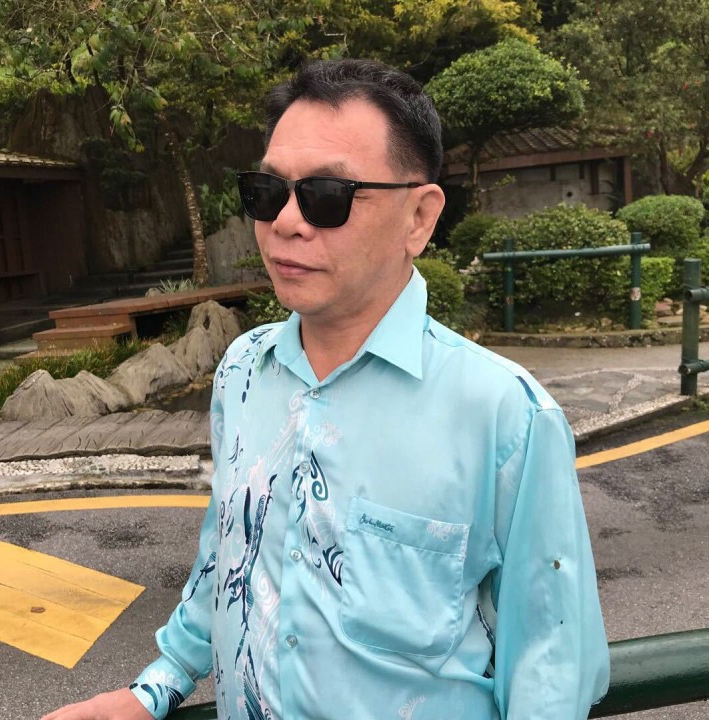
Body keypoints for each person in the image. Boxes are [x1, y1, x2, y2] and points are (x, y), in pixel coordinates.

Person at [42, 58, 609, 720]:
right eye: (267, 192)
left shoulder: (505, 415)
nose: (286, 222)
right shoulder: (242, 372)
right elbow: (226, 555)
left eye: (327, 195)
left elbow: (550, 668)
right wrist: (157, 687)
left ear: (419, 217)